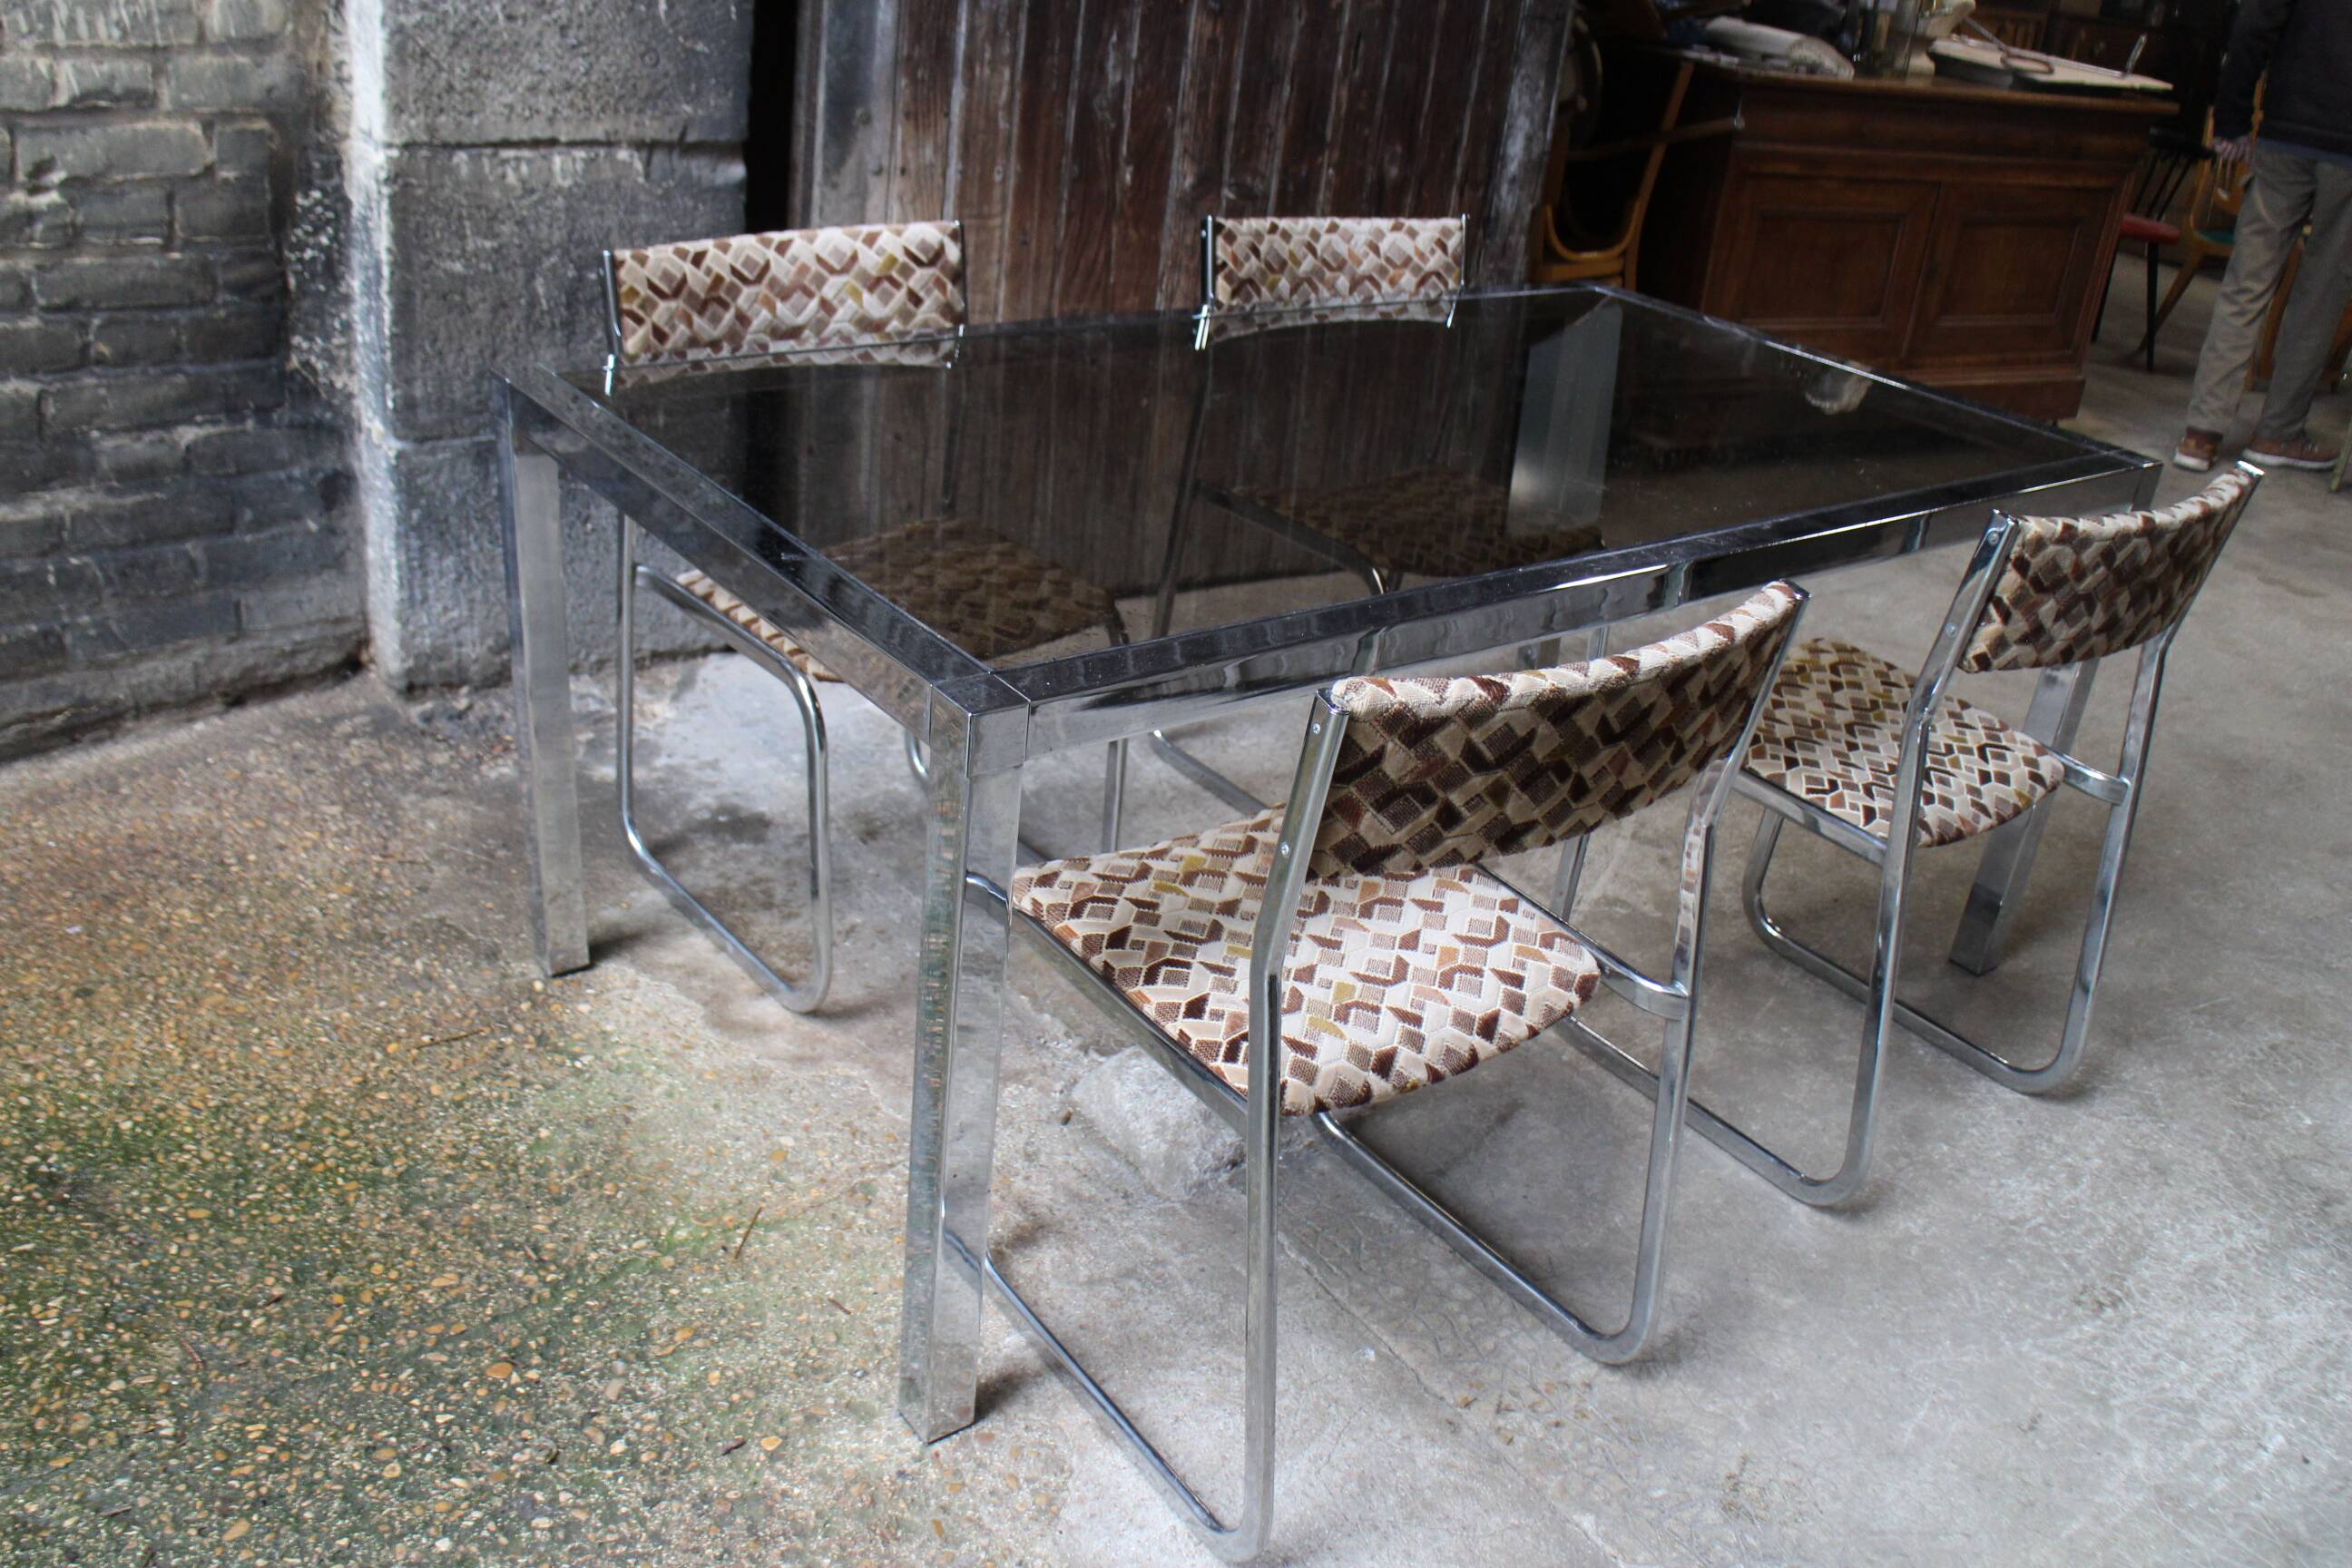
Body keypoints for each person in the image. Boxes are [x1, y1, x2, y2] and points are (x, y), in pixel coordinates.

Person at [2172, 0, 2352, 473]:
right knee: (2321, 294)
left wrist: (2231, 120)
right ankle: (2277, 433)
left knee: (2246, 283)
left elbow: (2253, 25)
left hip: (2285, 132)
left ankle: (2201, 433)